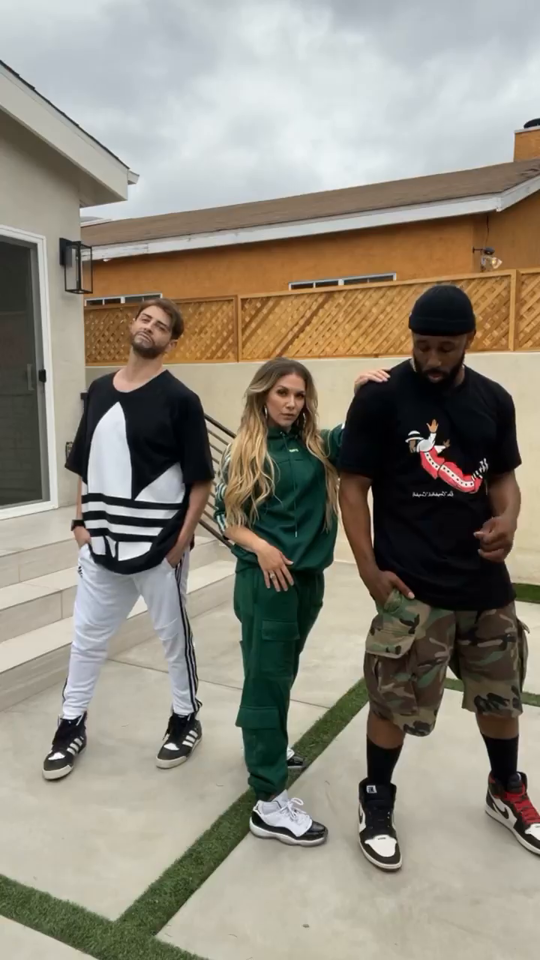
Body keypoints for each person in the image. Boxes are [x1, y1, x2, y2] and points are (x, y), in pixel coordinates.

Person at [339, 284, 539, 871]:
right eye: (422, 345)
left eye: (445, 348)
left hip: (485, 586)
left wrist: (510, 520)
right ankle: (376, 800)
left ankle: (505, 789)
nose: (431, 359)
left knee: (501, 696)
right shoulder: (380, 399)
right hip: (412, 588)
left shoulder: (494, 400)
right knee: (392, 704)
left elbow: (502, 478)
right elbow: (353, 487)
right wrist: (369, 569)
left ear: (469, 340)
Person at [42, 298, 214, 781]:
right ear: (133, 324)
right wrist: (80, 525)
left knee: (173, 638)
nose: (150, 328)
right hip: (100, 548)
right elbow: (86, 462)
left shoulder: (181, 400)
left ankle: (185, 718)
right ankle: (70, 724)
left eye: (161, 326)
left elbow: (200, 479)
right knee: (86, 640)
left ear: (170, 342)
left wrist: (179, 544)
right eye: (145, 319)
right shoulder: (98, 390)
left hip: (159, 550)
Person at [214, 357, 346, 847]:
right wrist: (263, 548)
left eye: (299, 395)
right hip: (266, 582)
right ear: (263, 395)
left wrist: (367, 391)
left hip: (307, 580)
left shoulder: (315, 444)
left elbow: (358, 436)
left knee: (280, 672)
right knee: (266, 681)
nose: (291, 403)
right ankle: (269, 801)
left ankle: (266, 747)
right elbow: (226, 518)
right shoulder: (244, 449)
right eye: (282, 393)